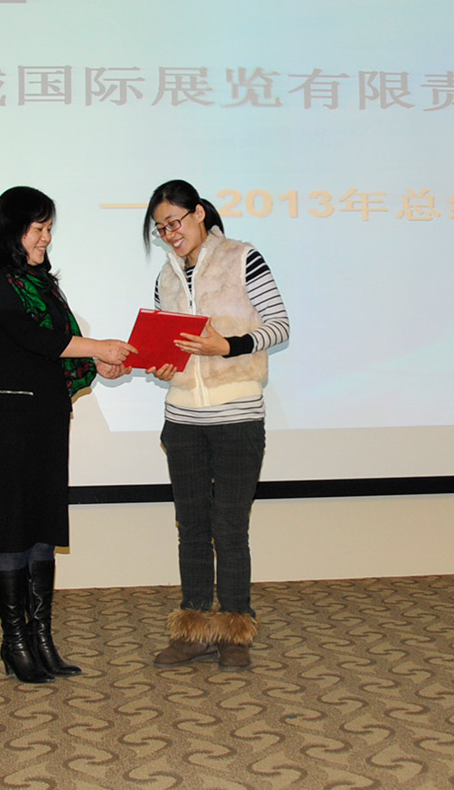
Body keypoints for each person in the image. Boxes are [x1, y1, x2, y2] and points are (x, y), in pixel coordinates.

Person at [0, 186, 134, 684]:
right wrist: (98, 346)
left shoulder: (43, 282)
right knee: (13, 532)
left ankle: (41, 639)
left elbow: (62, 347)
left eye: (48, 230)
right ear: (12, 229)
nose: (45, 238)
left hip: (48, 416)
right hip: (12, 418)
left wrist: (99, 361)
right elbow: (35, 338)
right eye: (38, 229)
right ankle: (15, 642)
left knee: (44, 531)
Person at [140, 179, 290, 671]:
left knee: (229, 527)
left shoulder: (243, 257)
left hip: (237, 418)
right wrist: (162, 365)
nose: (170, 234)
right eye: (161, 229)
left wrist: (227, 346)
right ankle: (194, 630)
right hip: (182, 419)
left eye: (175, 222)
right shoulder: (165, 277)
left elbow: (279, 325)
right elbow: (169, 347)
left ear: (199, 213)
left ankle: (234, 633)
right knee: (191, 527)